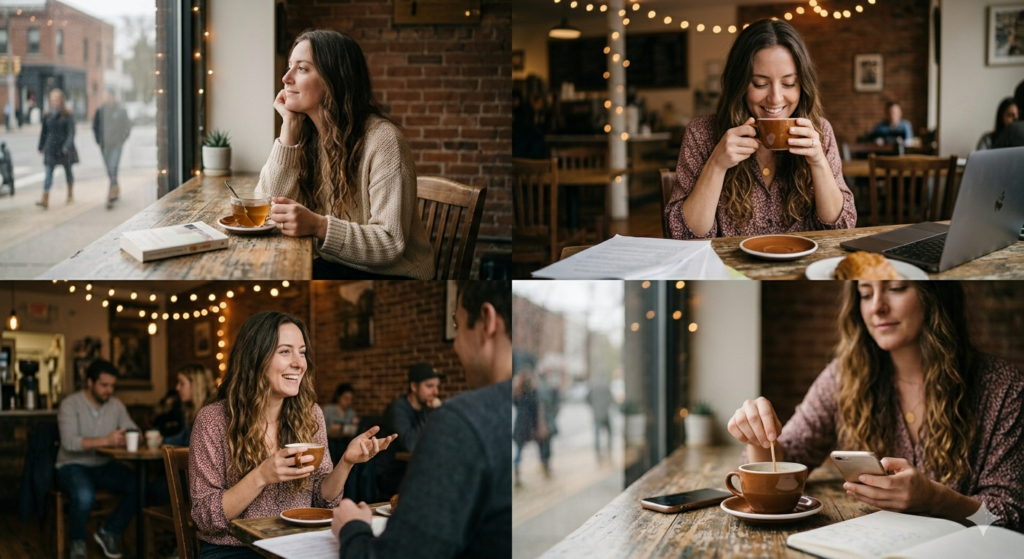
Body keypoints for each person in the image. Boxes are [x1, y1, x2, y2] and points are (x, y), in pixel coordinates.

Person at [727, 281, 1024, 532]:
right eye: (866, 293)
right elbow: (787, 454)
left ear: (935, 293)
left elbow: (1007, 518)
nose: (876, 307)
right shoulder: (844, 377)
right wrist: (758, 434)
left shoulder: (1002, 386)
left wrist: (937, 500)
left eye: (895, 288)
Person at [190, 311, 396, 557]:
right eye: (285, 351)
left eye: (302, 351)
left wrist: (347, 462)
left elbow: (323, 500)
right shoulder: (213, 420)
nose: (299, 362)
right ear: (254, 358)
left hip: (297, 543)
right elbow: (205, 517)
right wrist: (262, 475)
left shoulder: (310, 414)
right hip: (235, 549)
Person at [331, 281, 512, 558]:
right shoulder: (519, 407)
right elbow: (411, 442)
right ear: (414, 387)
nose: (456, 346)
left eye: (458, 326)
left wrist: (352, 529)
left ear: (486, 321)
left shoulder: (461, 419)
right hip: (390, 480)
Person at [257, 29, 434, 279]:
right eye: (289, 67)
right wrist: (289, 127)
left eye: (302, 69)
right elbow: (265, 209)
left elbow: (389, 243)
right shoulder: (310, 136)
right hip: (337, 262)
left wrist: (318, 225)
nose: (286, 78)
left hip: (394, 274)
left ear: (334, 80)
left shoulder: (384, 141)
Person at [665, 19, 855, 240]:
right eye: (760, 84)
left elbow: (841, 228)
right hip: (728, 272)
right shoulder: (702, 134)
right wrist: (716, 165)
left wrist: (818, 162)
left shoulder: (819, 132)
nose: (775, 98)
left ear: (803, 85)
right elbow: (683, 235)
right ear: (740, 84)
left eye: (789, 83)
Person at [56, 359, 139, 559]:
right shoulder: (70, 404)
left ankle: (108, 532)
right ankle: (78, 543)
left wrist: (135, 435)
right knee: (84, 495)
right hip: (72, 465)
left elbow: (133, 428)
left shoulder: (116, 405)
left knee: (140, 485)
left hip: (103, 464)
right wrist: (108, 440)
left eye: (112, 386)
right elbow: (69, 442)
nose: (109, 391)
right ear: (90, 383)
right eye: (104, 385)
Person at [377, 362, 445, 497]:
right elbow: (410, 444)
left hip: (416, 468)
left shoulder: (426, 408)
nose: (436, 392)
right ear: (414, 386)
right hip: (392, 473)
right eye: (430, 386)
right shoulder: (398, 409)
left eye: (437, 386)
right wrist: (432, 413)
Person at [36, 88, 79, 209]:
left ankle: (70, 194)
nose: (54, 102)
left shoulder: (68, 114)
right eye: (52, 99)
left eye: (56, 99)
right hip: (50, 147)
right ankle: (45, 198)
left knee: (68, 171)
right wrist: (40, 146)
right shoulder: (47, 114)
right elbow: (44, 132)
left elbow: (71, 133)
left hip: (64, 147)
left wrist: (67, 146)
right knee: (48, 173)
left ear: (61, 100)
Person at [92, 88, 133, 209]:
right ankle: (115, 187)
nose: (106, 98)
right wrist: (98, 140)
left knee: (112, 166)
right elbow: (95, 126)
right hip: (105, 145)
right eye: (105, 95)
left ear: (113, 96)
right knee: (109, 169)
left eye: (108, 95)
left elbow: (128, 126)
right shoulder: (100, 110)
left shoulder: (121, 110)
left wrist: (122, 140)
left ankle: (111, 195)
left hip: (116, 145)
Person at [512, 364, 548, 486]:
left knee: (519, 450)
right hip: (531, 426)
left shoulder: (519, 393)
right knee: (540, 444)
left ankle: (517, 470)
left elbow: (515, 402)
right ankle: (544, 465)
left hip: (520, 425)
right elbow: (536, 408)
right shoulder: (533, 393)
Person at [324, 382, 360, 464]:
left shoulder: (351, 412)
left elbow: (354, 430)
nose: (348, 402)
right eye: (346, 398)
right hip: (330, 443)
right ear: (338, 397)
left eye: (350, 399)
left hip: (345, 442)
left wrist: (340, 427)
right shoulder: (328, 410)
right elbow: (326, 428)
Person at [587, 380, 614, 461]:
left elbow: (588, 399)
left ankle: (598, 450)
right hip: (605, 413)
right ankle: (608, 448)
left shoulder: (593, 388)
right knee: (609, 432)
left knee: (597, 433)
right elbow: (611, 399)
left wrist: (594, 406)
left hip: (597, 414)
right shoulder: (606, 387)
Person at [994, 80, 1024, 148]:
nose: (1016, 118)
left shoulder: (1014, 130)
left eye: (1017, 114)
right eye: (1011, 115)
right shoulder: (987, 139)